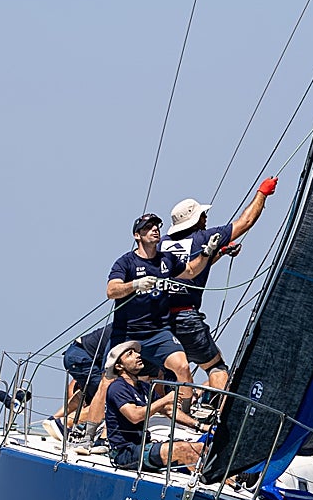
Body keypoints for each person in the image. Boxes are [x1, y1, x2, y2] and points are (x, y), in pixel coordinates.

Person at [159, 177, 278, 393]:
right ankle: (219, 418)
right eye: (203, 215)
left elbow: (190, 267)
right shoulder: (203, 237)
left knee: (161, 371)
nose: (206, 218)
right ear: (195, 220)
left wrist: (219, 252)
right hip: (185, 318)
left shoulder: (161, 244)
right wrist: (262, 193)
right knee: (216, 367)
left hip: (157, 319)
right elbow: (246, 222)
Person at [106, 212, 219, 414]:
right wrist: (135, 284)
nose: (154, 229)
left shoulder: (166, 259)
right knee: (109, 382)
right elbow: (111, 291)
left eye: (156, 226)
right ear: (137, 235)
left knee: (183, 368)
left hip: (158, 332)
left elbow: (191, 271)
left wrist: (207, 252)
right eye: (148, 228)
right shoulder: (126, 262)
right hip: (128, 333)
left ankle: (182, 415)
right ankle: (89, 432)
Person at [103, 340, 205, 472]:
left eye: (136, 352)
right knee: (183, 449)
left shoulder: (144, 387)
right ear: (119, 366)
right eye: (130, 354)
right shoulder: (117, 387)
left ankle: (229, 482)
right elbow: (134, 416)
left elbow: (169, 410)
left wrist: (200, 426)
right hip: (125, 453)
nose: (137, 355)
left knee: (201, 448)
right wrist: (166, 399)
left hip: (143, 446)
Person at [50, 323, 112, 438]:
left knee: (88, 395)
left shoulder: (124, 325)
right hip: (84, 358)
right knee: (108, 400)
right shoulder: (132, 332)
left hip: (74, 354)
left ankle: (55, 419)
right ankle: (64, 423)